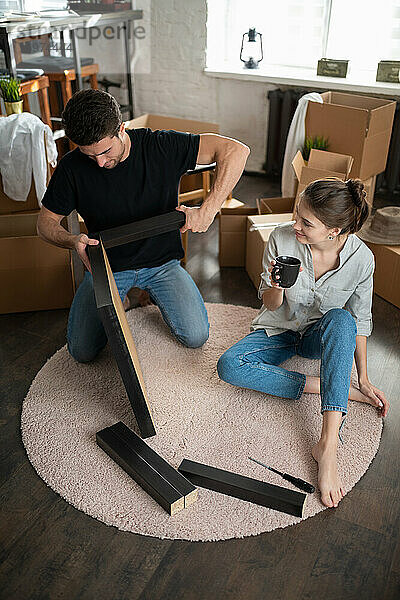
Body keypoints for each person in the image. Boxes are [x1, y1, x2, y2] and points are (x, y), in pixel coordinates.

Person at [37, 89, 250, 362]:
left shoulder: (160, 145)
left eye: (104, 151)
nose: (100, 163)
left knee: (196, 337)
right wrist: (71, 240)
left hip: (162, 264)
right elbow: (45, 223)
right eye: (90, 156)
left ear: (121, 129)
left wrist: (208, 209)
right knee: (82, 352)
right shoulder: (71, 167)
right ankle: (125, 299)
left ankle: (148, 293)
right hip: (107, 267)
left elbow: (237, 151)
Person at [217, 178, 389, 509]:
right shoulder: (282, 238)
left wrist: (365, 378)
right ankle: (331, 387)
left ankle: (328, 445)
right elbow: (270, 304)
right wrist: (277, 285)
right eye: (297, 215)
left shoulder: (362, 260)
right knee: (228, 365)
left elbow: (361, 321)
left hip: (316, 337)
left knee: (342, 321)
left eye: (306, 223)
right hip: (278, 330)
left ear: (334, 230)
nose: (295, 225)